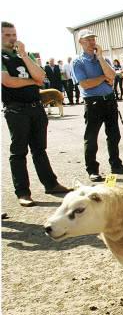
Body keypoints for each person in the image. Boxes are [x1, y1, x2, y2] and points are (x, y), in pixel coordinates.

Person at [1, 21, 70, 206]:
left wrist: (24, 55)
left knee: (39, 149)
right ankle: (23, 192)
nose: (12, 39)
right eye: (7, 35)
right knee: (18, 152)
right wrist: (32, 81)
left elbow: (41, 77)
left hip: (36, 108)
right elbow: (7, 81)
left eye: (14, 35)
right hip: (16, 110)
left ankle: (51, 184)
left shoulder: (26, 54)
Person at [71, 28, 123, 181]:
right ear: (81, 42)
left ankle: (116, 164)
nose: (92, 42)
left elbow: (112, 76)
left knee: (114, 135)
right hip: (93, 102)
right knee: (91, 137)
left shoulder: (103, 59)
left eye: (93, 39)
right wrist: (102, 78)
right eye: (88, 39)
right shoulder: (78, 62)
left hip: (109, 100)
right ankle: (92, 169)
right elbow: (85, 84)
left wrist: (99, 57)